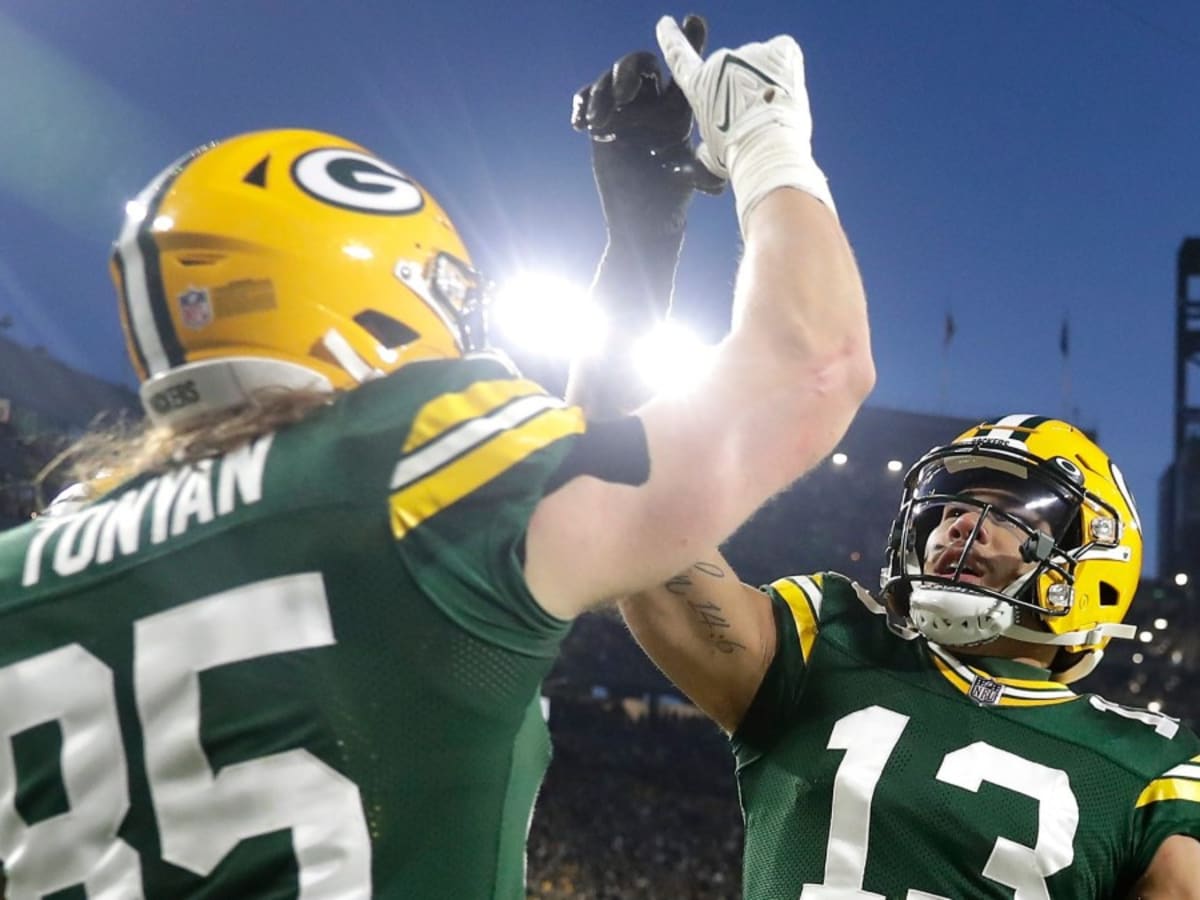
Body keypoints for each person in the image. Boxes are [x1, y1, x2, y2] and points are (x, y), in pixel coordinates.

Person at [0, 15, 873, 900]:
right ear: (374, 295)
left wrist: (645, 237)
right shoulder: (409, 463)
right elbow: (815, 366)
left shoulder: (23, 565)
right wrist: (769, 140)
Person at [572, 32, 1200, 898]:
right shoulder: (831, 643)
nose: (956, 527)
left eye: (1003, 509)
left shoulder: (1155, 763)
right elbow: (616, 510)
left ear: (1090, 562)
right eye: (948, 505)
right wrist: (641, 238)